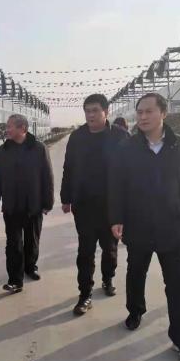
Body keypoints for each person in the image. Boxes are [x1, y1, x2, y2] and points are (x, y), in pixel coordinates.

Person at [109, 93, 180, 357]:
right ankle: (135, 310)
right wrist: (116, 218)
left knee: (177, 282)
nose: (143, 117)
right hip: (138, 224)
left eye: (149, 111)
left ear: (163, 113)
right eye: (140, 112)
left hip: (172, 226)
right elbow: (117, 186)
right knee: (136, 272)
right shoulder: (127, 148)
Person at [60, 94, 129, 316]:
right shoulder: (77, 137)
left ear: (106, 112)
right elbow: (68, 168)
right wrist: (66, 197)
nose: (90, 115)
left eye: (95, 110)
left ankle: (108, 278)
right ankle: (85, 294)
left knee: (110, 249)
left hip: (111, 205)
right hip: (84, 205)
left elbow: (130, 172)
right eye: (87, 111)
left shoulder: (120, 136)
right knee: (85, 251)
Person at [0, 114, 54, 293]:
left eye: (10, 126)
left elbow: (47, 177)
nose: (7, 129)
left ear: (23, 128)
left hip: (33, 205)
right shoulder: (3, 150)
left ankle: (30, 267)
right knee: (13, 244)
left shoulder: (39, 148)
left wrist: (47, 203)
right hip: (11, 205)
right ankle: (15, 280)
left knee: (32, 241)